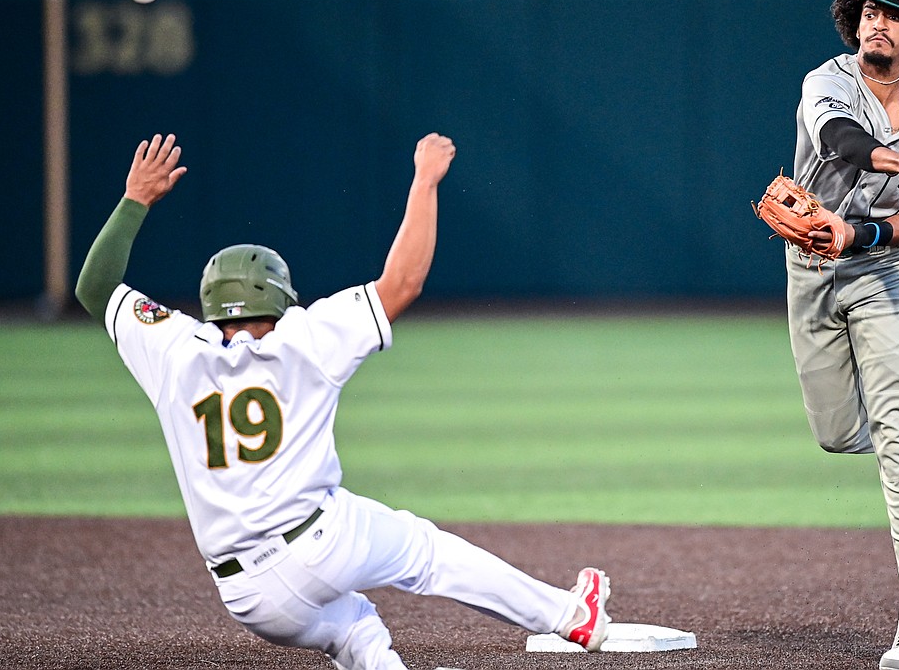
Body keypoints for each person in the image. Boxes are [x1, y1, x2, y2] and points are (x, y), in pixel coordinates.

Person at [74, 131, 611, 670]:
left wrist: (135, 198)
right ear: (280, 297)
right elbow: (402, 283)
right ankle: (569, 614)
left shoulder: (172, 348)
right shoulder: (302, 339)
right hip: (317, 544)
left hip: (246, 597)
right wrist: (425, 180)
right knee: (427, 553)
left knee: (355, 630)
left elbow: (95, 287)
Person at [782, 0, 899, 670]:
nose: (874, 21)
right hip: (811, 265)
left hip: (882, 272)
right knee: (836, 433)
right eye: (865, 10)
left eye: (890, 14)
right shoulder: (825, 81)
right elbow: (841, 146)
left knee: (889, 442)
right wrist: (897, 162)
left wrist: (869, 233)